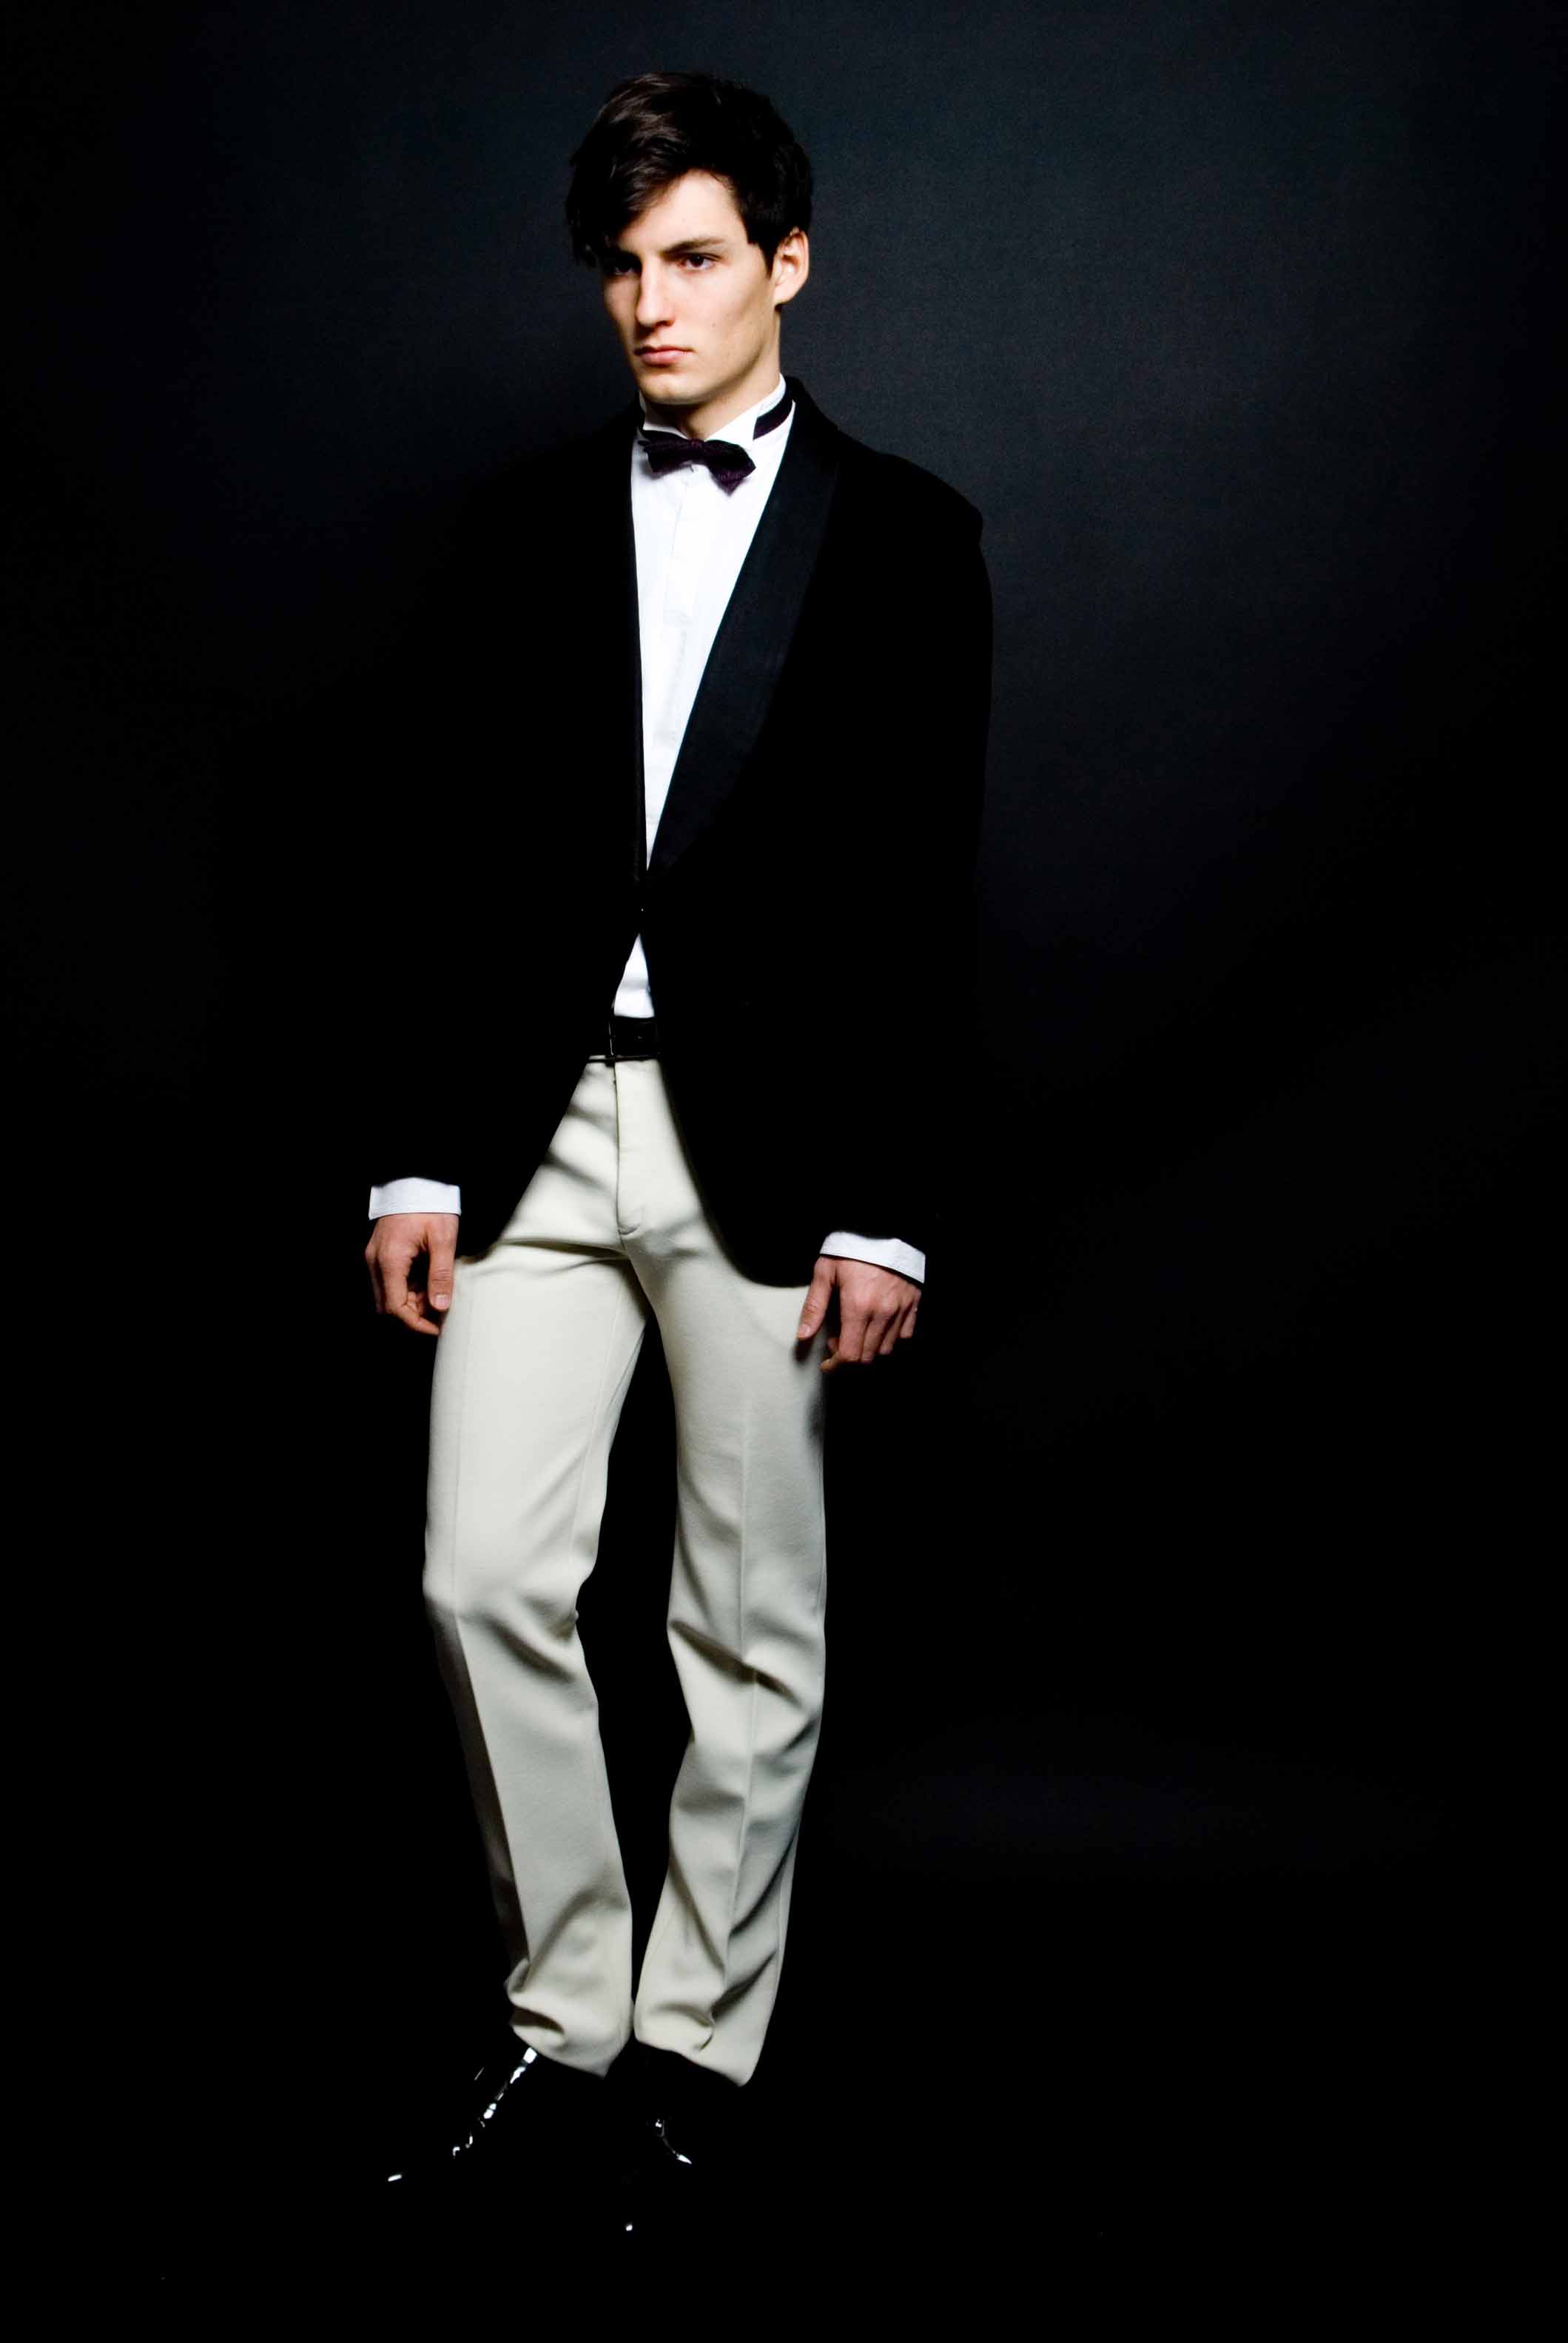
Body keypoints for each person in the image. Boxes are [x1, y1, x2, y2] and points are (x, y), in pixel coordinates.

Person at [362, 67, 992, 2233]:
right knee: (480, 1578)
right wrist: (417, 1164)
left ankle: (698, 2050)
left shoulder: (908, 537)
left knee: (748, 1626)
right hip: (533, 1131)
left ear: (786, 265)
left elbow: (920, 894)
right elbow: (444, 858)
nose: (654, 302)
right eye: (626, 266)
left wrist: (890, 1205)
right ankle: (567, 2019)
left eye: (697, 257)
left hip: (777, 1143)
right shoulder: (522, 525)